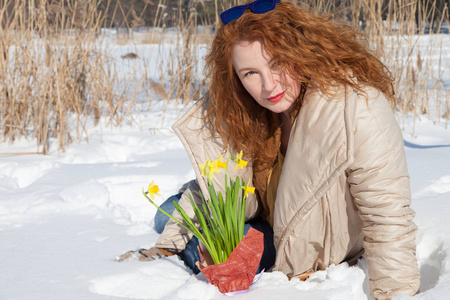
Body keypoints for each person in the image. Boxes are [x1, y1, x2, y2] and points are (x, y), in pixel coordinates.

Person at [117, 1, 421, 299]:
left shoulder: (356, 108)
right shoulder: (246, 112)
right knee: (169, 214)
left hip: (311, 244)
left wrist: (394, 294)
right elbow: (217, 184)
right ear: (235, 77)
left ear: (300, 51)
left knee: (196, 240)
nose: (269, 85)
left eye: (277, 63)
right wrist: (166, 248)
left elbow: (387, 216)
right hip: (264, 219)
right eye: (250, 73)